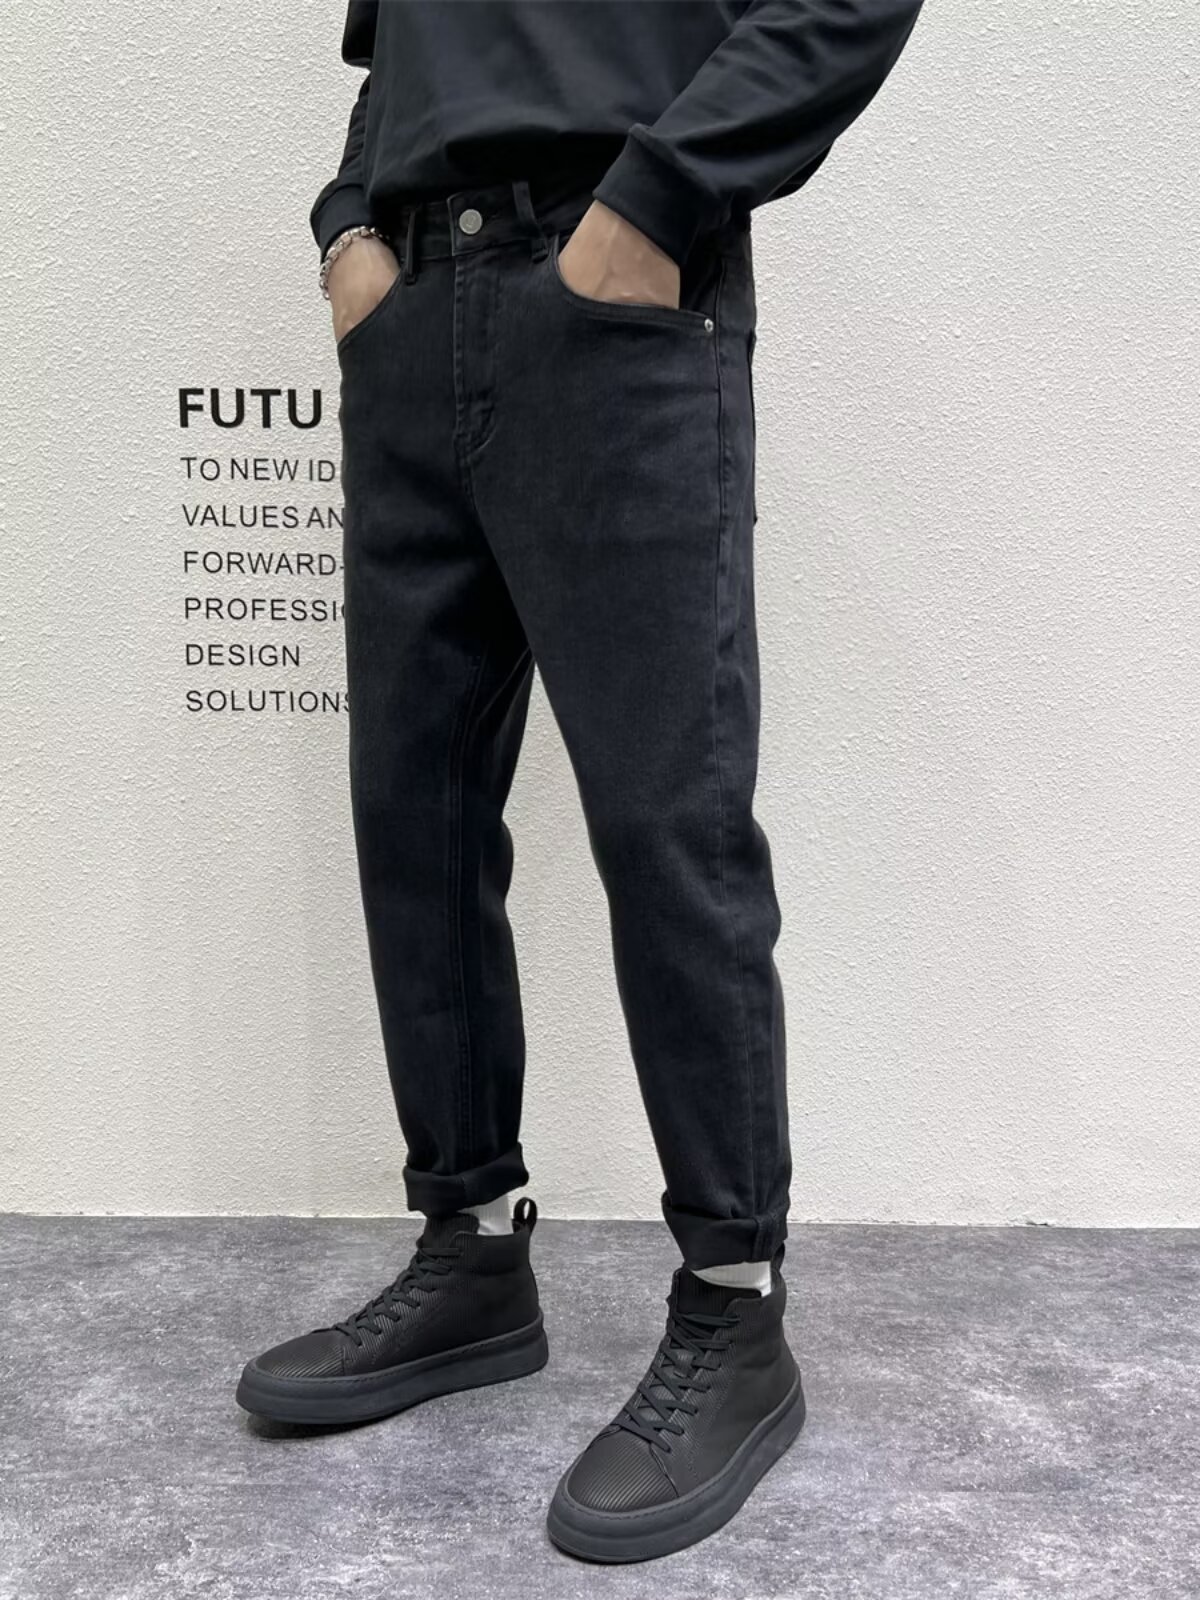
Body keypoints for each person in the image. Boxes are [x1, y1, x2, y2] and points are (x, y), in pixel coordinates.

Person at [236, 0, 924, 1562]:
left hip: (610, 299)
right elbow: (402, 69)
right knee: (411, 814)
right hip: (418, 319)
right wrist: (350, 235)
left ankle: (735, 1308)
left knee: (667, 821)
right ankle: (470, 1253)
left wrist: (653, 205)